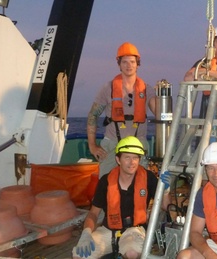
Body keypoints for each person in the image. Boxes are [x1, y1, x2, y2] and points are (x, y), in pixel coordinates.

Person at [72, 136, 170, 259]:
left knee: (132, 253)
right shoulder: (106, 181)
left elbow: (165, 206)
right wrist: (86, 233)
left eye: (135, 157)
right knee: (78, 255)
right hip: (108, 231)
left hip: (135, 231)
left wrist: (165, 191)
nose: (132, 162)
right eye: (127, 157)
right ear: (118, 160)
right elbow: (93, 213)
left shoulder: (148, 178)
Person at [87, 42, 152, 178]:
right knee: (105, 184)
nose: (129, 66)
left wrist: (164, 95)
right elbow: (93, 116)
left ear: (137, 64)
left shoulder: (147, 89)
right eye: (125, 62)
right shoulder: (107, 88)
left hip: (138, 143)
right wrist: (92, 146)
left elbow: (161, 113)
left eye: (132, 62)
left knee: (140, 183)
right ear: (119, 64)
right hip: (112, 144)